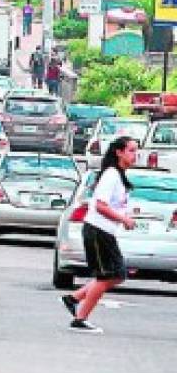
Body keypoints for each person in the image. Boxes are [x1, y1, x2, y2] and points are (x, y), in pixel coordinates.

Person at [62, 136, 138, 333]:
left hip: (106, 231)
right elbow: (100, 206)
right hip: (98, 230)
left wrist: (126, 216)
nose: (134, 155)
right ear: (119, 152)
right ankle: (80, 319)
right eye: (131, 150)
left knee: (118, 274)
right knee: (106, 276)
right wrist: (124, 220)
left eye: (135, 151)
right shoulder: (111, 174)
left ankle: (74, 298)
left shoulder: (119, 176)